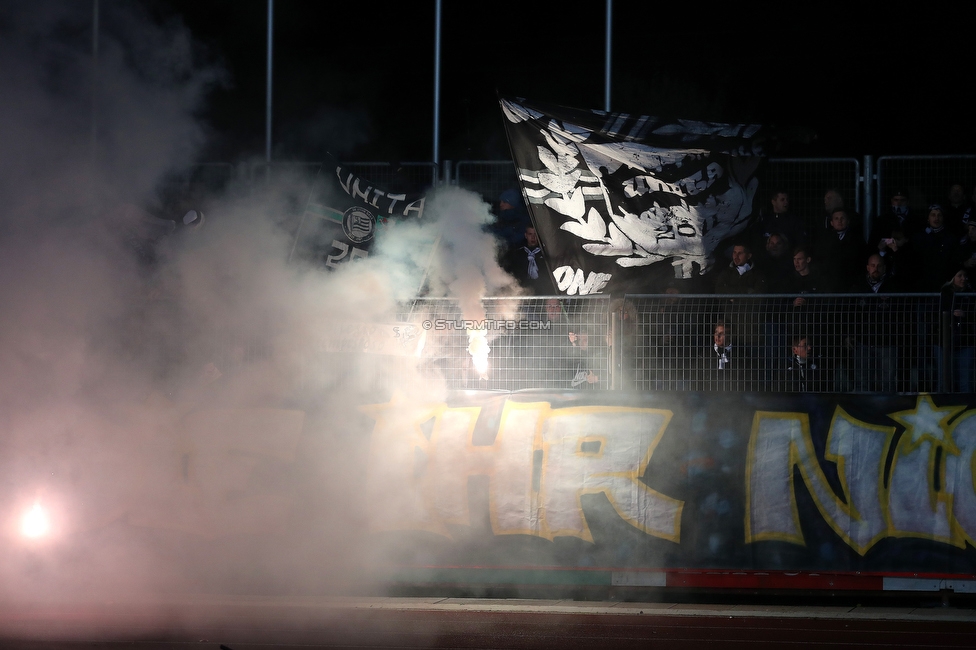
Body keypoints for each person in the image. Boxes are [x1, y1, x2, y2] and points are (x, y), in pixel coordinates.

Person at [847, 254, 901, 392]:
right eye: (872, 265)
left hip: (887, 343)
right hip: (863, 342)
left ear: (884, 268)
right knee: (862, 383)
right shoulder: (858, 286)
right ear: (867, 267)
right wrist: (850, 334)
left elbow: (899, 314)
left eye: (879, 266)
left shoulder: (893, 286)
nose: (875, 269)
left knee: (888, 384)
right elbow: (851, 313)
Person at [503, 225, 555, 295]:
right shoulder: (517, 253)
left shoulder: (547, 252)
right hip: (523, 290)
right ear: (526, 235)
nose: (533, 237)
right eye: (530, 234)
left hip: (544, 290)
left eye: (535, 234)